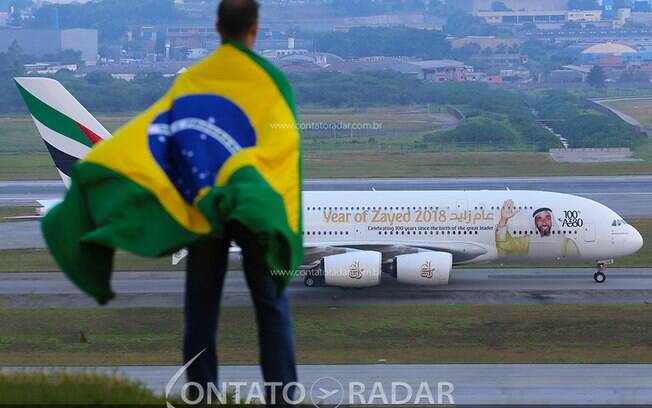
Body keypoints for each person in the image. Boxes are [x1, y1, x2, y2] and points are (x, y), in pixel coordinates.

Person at [182, 0, 297, 404]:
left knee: (200, 314)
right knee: (272, 307)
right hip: (256, 210)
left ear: (216, 27)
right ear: (256, 29)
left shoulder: (193, 80)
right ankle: (282, 397)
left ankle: (201, 396)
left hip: (208, 208)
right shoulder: (272, 80)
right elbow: (286, 150)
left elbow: (176, 146)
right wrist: (286, 226)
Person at [495, 199, 580, 259]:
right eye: (539, 219)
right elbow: (505, 245)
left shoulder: (567, 244)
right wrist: (503, 220)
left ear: (552, 221)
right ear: (535, 224)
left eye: (547, 218)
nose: (544, 222)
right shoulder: (527, 241)